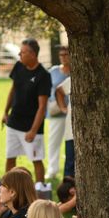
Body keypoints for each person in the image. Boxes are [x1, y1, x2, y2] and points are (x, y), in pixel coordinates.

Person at [2, 38, 51, 187]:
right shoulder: (18, 66)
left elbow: (42, 107)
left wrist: (33, 131)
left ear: (32, 54)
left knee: (36, 160)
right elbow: (13, 90)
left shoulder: (43, 75)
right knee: (10, 157)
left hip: (31, 127)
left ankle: (40, 191)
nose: (19, 54)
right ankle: (7, 187)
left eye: (22, 52)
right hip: (14, 122)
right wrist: (5, 112)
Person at [45, 46, 71, 180]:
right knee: (54, 141)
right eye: (61, 55)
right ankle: (52, 169)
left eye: (66, 54)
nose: (63, 57)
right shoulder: (54, 71)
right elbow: (48, 90)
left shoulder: (76, 71)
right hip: (56, 111)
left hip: (73, 112)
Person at [56, 76, 75, 177]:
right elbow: (59, 90)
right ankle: (67, 190)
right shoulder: (75, 78)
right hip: (72, 130)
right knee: (70, 163)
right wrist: (63, 108)